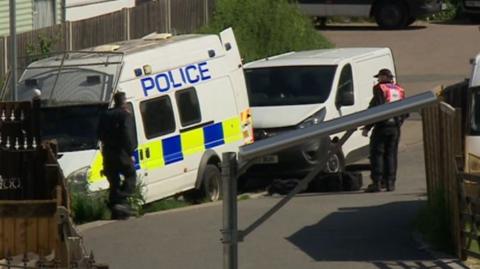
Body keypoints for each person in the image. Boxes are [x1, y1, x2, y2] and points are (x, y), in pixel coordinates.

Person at [362, 68, 407, 192]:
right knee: (391, 155)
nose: (378, 79)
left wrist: (367, 127)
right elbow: (406, 110)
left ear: (384, 77)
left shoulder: (380, 88)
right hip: (395, 128)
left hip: (382, 126)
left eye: (379, 77)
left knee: (377, 154)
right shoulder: (399, 89)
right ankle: (390, 183)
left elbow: (376, 108)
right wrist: (399, 122)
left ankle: (377, 182)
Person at [97, 91, 137, 219]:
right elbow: (126, 134)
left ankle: (116, 208)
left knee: (113, 181)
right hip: (120, 152)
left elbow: (99, 134)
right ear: (124, 101)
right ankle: (122, 198)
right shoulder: (124, 115)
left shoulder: (105, 115)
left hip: (107, 152)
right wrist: (130, 152)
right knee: (130, 174)